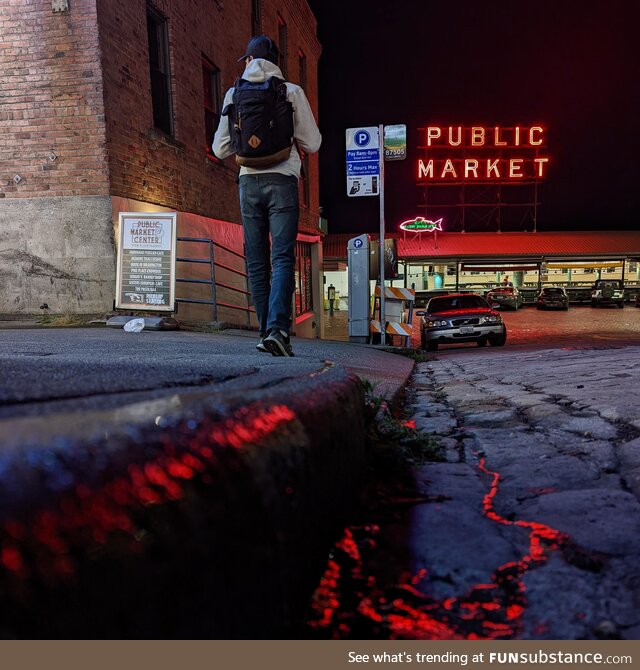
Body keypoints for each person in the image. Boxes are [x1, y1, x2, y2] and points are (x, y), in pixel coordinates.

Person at [212, 35, 321, 357]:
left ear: (247, 60)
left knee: (257, 261)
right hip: (283, 179)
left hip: (249, 183)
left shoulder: (234, 93)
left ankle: (265, 332)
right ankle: (278, 330)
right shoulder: (290, 91)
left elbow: (219, 149)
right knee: (282, 257)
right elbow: (312, 143)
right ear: (275, 62)